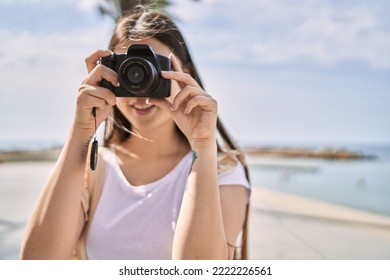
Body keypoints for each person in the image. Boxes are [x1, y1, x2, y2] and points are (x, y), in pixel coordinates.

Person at [20, 5, 250, 260]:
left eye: (156, 67)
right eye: (128, 70)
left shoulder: (222, 172)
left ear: (187, 74)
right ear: (106, 75)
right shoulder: (91, 171)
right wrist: (81, 131)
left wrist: (203, 146)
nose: (141, 85)